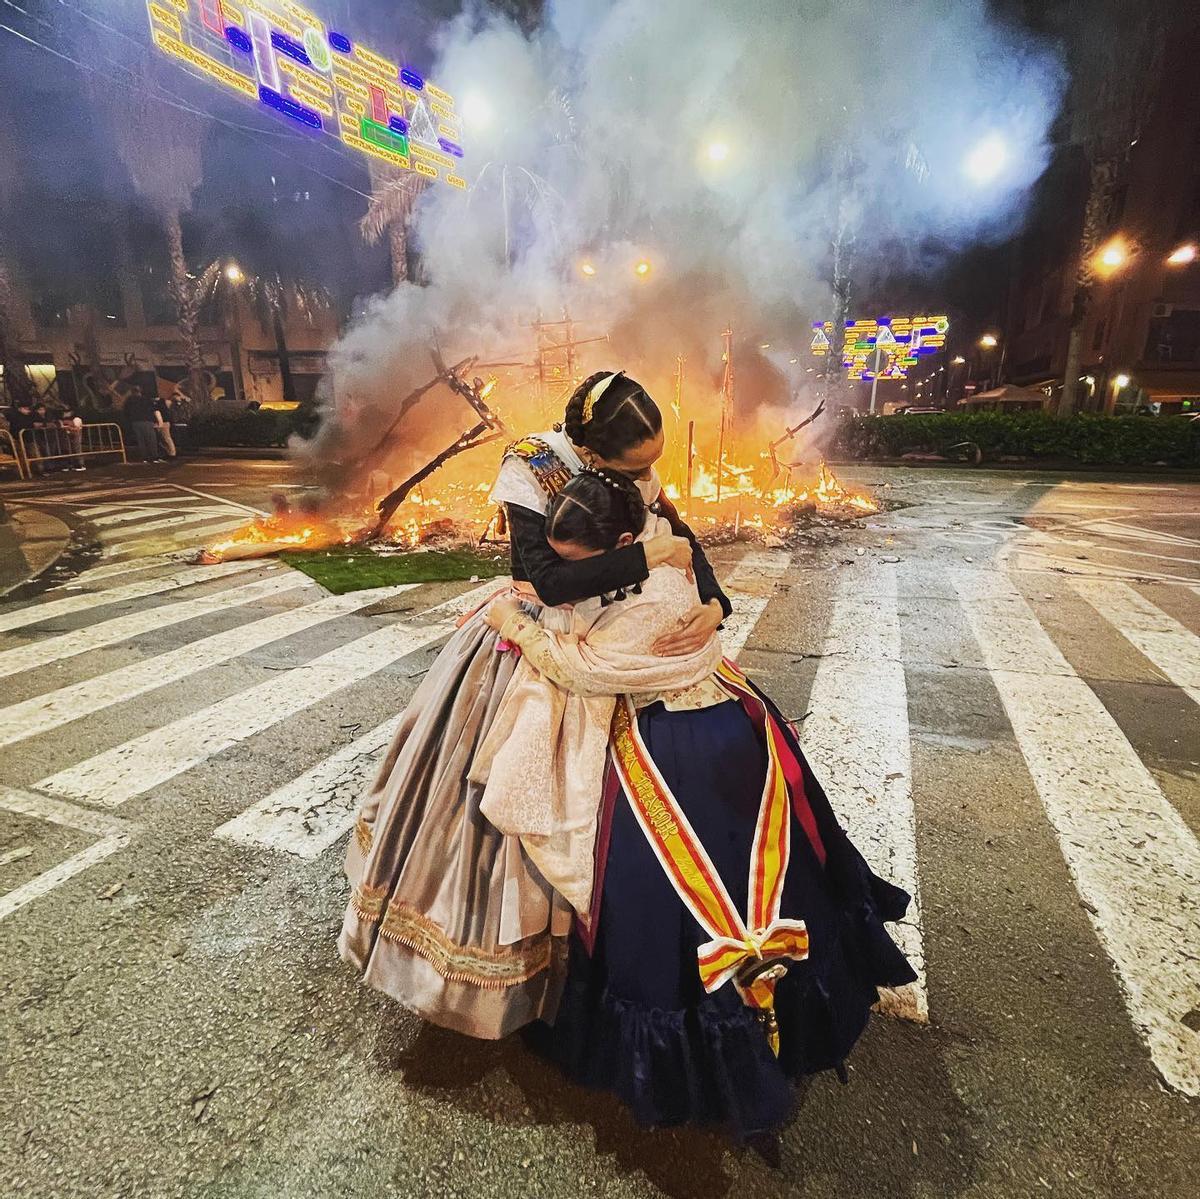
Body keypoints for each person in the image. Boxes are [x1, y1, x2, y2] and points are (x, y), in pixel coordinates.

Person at [476, 469, 917, 1139]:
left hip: (673, 749)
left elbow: (584, 669)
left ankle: (722, 1043)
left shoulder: (647, 596)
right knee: (769, 870)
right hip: (737, 725)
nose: (575, 579)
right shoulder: (664, 549)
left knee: (661, 898)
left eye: (582, 565)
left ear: (623, 541)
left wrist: (517, 621)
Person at [340, 371, 729, 1039]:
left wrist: (716, 602)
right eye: (634, 465)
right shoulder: (532, 467)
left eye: (652, 462)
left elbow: (682, 537)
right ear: (592, 450)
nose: (648, 475)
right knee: (514, 811)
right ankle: (510, 973)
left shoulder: (633, 466)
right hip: (537, 643)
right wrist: (642, 556)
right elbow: (546, 579)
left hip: (620, 642)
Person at [124, 386, 159, 463]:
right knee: (151, 439)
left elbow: (126, 412)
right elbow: (154, 409)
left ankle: (145, 458)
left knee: (141, 441)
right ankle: (154, 457)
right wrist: (157, 421)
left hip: (135, 422)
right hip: (147, 421)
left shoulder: (129, 401)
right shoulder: (146, 399)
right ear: (140, 391)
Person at [154, 393, 177, 460]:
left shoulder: (159, 402)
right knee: (164, 439)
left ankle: (172, 453)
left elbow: (157, 412)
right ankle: (169, 452)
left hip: (163, 422)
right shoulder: (163, 402)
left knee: (166, 438)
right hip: (164, 422)